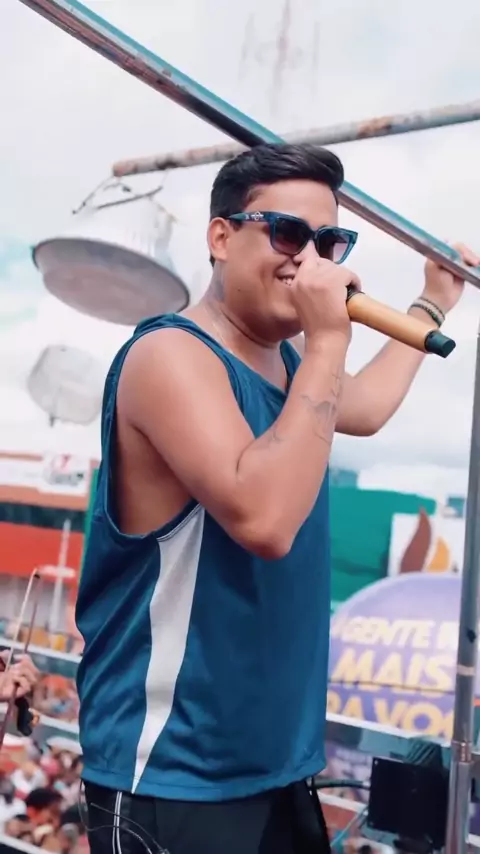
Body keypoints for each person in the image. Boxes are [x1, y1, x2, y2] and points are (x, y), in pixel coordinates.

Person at [76, 143, 479, 854]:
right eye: (288, 234)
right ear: (221, 236)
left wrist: (430, 303)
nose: (311, 261)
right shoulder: (170, 355)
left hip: (276, 765)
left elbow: (365, 407)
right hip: (172, 773)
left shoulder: (290, 364)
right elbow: (263, 519)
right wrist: (328, 341)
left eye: (329, 242)